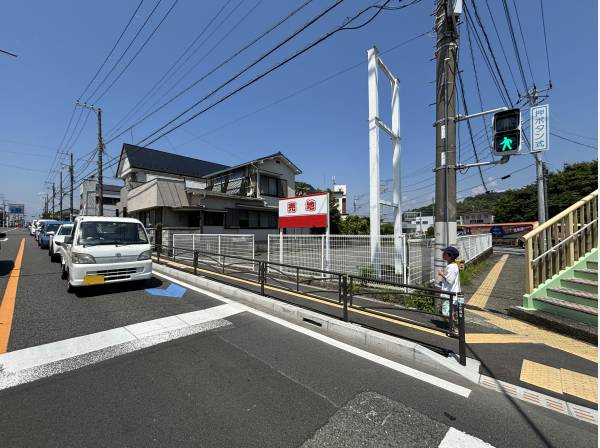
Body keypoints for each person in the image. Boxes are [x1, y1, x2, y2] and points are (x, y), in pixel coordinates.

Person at [438, 246, 461, 333]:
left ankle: (454, 329)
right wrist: (444, 274)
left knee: (446, 312)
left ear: (450, 256)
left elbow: (450, 280)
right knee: (452, 312)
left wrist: (441, 273)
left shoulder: (451, 267)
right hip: (453, 293)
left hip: (449, 294)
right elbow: (450, 277)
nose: (442, 254)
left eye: (444, 253)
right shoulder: (453, 266)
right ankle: (454, 328)